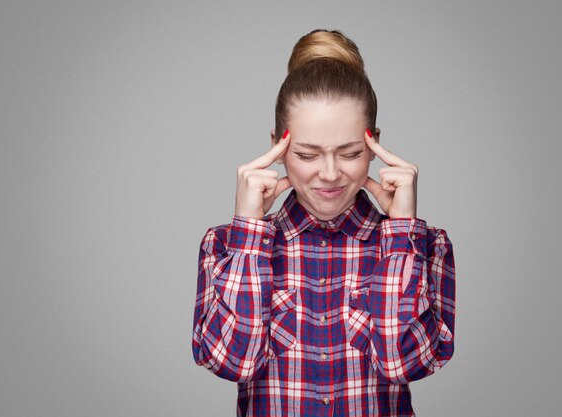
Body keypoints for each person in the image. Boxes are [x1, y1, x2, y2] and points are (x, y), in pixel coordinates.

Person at [192, 29, 456, 417]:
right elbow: (232, 363)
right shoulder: (225, 247)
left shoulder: (424, 247)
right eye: (307, 154)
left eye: (349, 153)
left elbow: (405, 365)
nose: (329, 174)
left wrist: (401, 235)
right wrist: (249, 233)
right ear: (277, 148)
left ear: (374, 145)